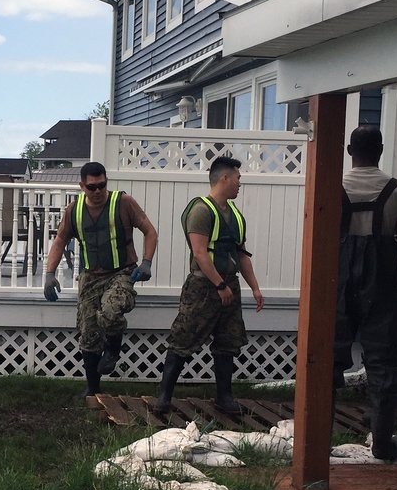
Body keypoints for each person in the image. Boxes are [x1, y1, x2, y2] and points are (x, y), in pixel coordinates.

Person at [336, 125, 397, 461]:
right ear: (381, 150)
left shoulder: (332, 186)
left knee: (329, 355)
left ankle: (317, 438)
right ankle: (382, 442)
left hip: (339, 279)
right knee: (384, 361)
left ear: (349, 151)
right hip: (383, 281)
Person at [152, 156, 264, 416]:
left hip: (229, 286)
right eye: (237, 178)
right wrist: (220, 285)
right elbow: (200, 253)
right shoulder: (201, 210)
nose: (239, 184)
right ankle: (163, 399)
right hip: (203, 288)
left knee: (228, 343)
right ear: (224, 178)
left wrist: (255, 288)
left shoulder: (235, 215)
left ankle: (224, 397)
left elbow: (241, 254)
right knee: (182, 339)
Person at [43, 161, 158, 396]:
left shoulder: (123, 202)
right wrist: (49, 274)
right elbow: (59, 241)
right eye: (91, 187)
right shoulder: (73, 210)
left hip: (122, 272)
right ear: (82, 186)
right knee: (88, 330)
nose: (97, 191)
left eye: (101, 185)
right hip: (90, 275)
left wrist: (146, 262)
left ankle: (114, 349)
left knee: (111, 310)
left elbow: (150, 231)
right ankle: (92, 387)